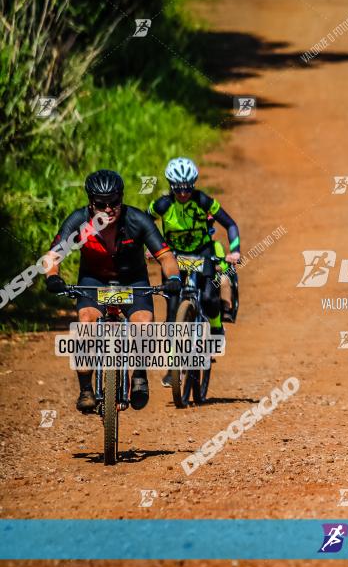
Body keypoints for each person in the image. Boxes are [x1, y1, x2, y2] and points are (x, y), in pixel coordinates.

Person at [43, 169, 182, 413]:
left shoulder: (138, 220)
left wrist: (172, 277)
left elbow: (166, 256)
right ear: (90, 202)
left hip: (133, 279)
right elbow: (53, 255)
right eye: (101, 204)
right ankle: (86, 388)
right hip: (93, 280)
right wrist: (53, 276)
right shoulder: (78, 221)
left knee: (144, 324)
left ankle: (139, 374)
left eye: (114, 203)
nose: (108, 210)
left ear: (122, 198)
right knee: (86, 324)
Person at [148, 157, 241, 385]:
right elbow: (142, 224)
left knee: (209, 298)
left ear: (194, 184)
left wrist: (235, 251)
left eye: (188, 189)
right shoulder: (161, 205)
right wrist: (149, 248)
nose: (183, 194)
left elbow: (230, 224)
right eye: (178, 190)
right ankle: (172, 367)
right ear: (171, 186)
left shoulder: (203, 201)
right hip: (173, 257)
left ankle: (217, 330)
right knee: (171, 316)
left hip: (203, 253)